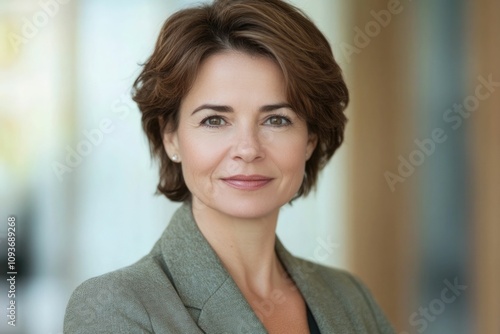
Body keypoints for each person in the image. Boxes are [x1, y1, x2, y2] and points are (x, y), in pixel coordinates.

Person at [64, 0, 395, 333]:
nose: (248, 149)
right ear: (171, 137)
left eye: (277, 119)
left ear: (310, 139)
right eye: (215, 120)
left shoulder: (352, 299)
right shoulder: (116, 308)